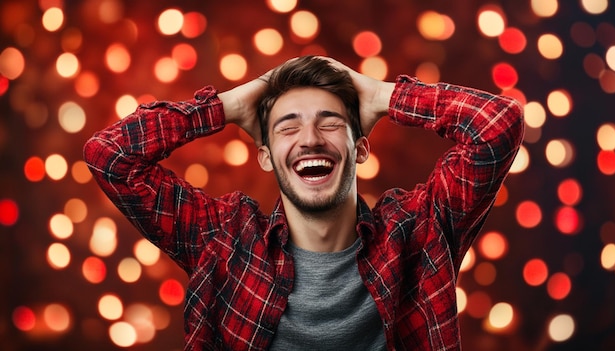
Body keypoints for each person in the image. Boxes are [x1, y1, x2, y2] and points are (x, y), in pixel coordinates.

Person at [84, 56, 524, 350]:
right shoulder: (223, 239)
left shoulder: (418, 234)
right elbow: (111, 157)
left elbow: (497, 127)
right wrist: (228, 104)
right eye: (287, 128)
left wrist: (380, 96)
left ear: (362, 149)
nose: (310, 138)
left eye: (330, 123)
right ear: (265, 155)